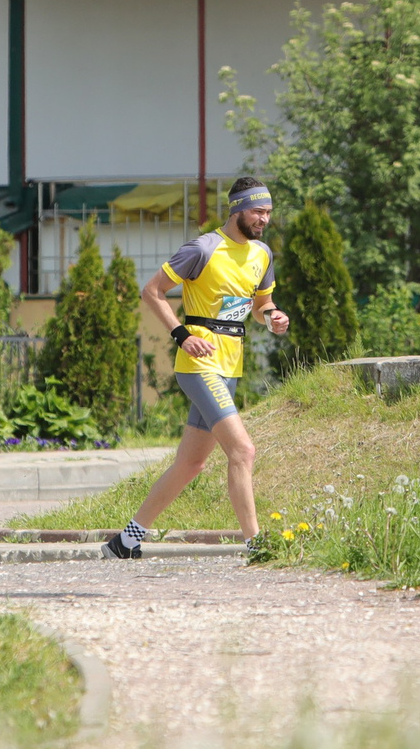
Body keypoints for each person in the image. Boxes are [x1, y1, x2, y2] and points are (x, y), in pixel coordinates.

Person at [106, 176, 291, 558]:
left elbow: (260, 306)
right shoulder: (203, 249)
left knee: (191, 463)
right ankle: (256, 545)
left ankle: (125, 541)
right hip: (198, 364)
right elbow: (152, 291)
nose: (264, 220)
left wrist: (273, 317)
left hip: (231, 365)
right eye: (258, 211)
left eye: (269, 212)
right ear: (237, 208)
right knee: (243, 450)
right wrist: (181, 334)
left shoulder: (262, 254)